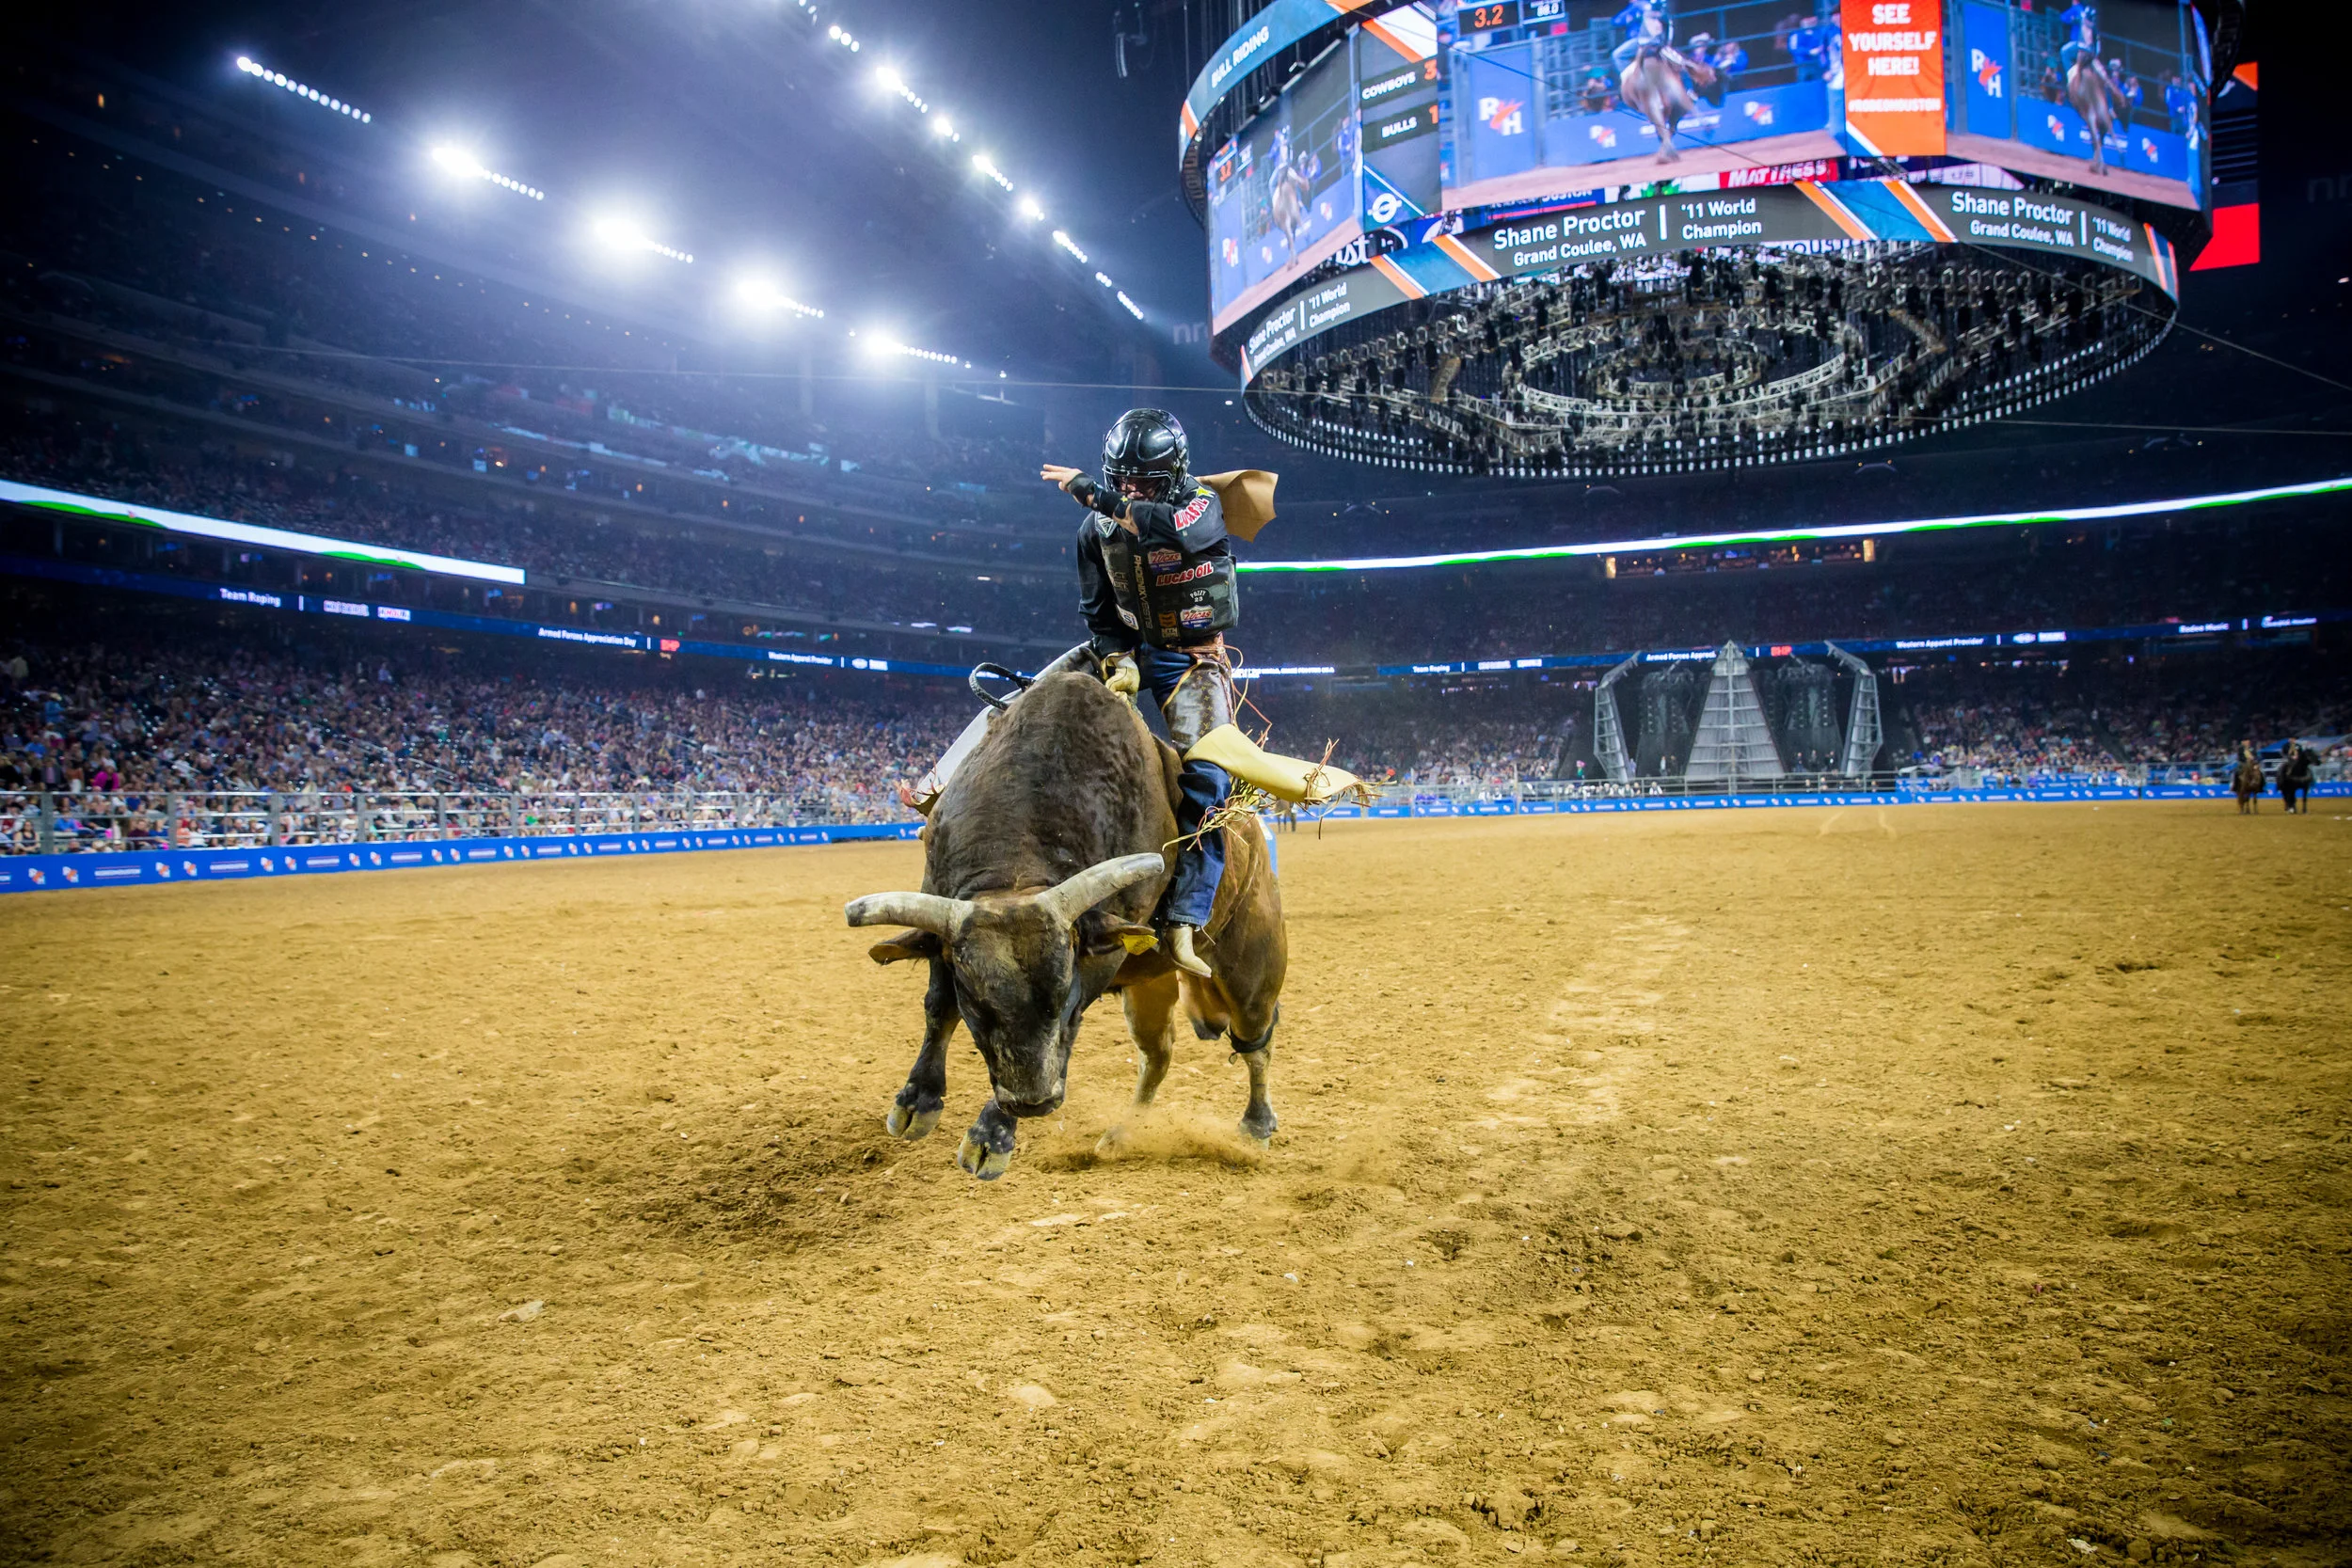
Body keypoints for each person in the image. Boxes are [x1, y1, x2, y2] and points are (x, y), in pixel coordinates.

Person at [1041, 409, 1239, 978]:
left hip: (1192, 656)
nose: (1129, 490)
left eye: (1143, 483)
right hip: (1131, 651)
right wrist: (1117, 657)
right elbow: (1098, 611)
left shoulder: (1201, 504)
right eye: (1121, 480)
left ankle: (1184, 917)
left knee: (1210, 777)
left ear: (1173, 476)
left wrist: (1098, 497)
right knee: (1033, 701)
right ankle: (940, 789)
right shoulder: (1092, 534)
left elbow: (1169, 528)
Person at [2278, 741, 2314, 815]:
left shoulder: (2298, 746)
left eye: (2294, 739)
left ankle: (2312, 781)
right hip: (2289, 760)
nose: (2293, 740)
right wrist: (2290, 757)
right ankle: (2281, 781)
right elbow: (2283, 753)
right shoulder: (2286, 745)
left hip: (2298, 760)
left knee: (2307, 769)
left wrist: (2298, 757)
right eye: (2292, 739)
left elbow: (2302, 753)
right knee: (2283, 768)